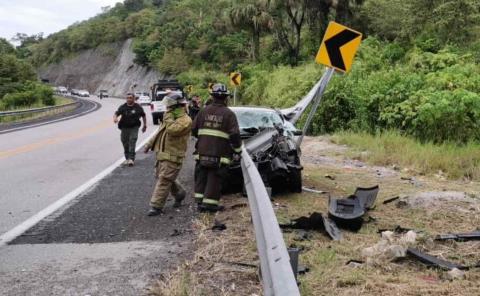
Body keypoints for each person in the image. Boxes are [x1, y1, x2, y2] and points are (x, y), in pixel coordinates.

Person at [192, 83, 242, 213]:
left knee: (201, 177)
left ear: (212, 97)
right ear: (226, 98)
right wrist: (237, 150)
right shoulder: (229, 114)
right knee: (214, 179)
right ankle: (210, 205)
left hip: (202, 152)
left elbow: (194, 130)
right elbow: (235, 135)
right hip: (219, 154)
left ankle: (199, 203)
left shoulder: (203, 111)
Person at [144, 93, 192, 216]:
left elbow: (172, 130)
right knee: (162, 176)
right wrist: (149, 144)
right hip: (162, 154)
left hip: (174, 156)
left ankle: (156, 206)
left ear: (176, 107)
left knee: (164, 180)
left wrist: (168, 118)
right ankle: (179, 193)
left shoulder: (185, 120)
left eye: (169, 107)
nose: (167, 109)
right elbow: (160, 132)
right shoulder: (170, 118)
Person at [113, 93, 147, 166]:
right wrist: (115, 118)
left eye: (130, 98)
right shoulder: (123, 107)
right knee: (125, 142)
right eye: (127, 98)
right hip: (124, 127)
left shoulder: (138, 107)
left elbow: (143, 115)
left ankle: (131, 158)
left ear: (134, 99)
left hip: (134, 127)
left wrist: (145, 125)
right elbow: (116, 113)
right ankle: (127, 158)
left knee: (132, 140)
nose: (129, 99)